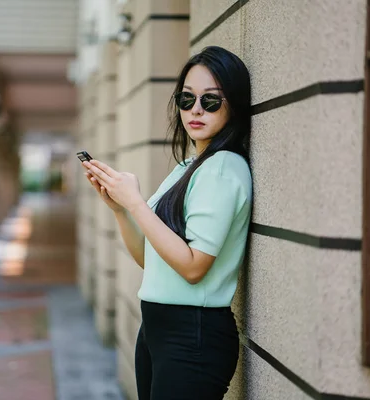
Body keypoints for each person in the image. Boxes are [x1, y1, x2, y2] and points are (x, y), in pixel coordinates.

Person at [81, 46, 252, 399]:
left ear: (233, 103)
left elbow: (193, 268)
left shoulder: (223, 168)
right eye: (186, 99)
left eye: (211, 101)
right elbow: (151, 258)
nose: (196, 110)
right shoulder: (190, 168)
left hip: (192, 337)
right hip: (159, 330)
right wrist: (119, 209)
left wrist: (137, 203)